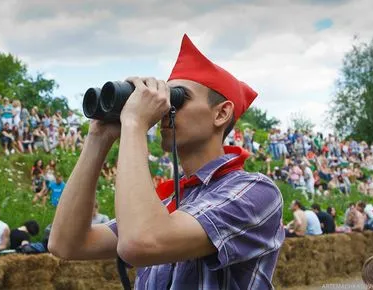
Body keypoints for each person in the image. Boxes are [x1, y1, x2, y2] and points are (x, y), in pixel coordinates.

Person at [49, 34, 285, 289]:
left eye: (177, 97)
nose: (164, 109)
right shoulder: (166, 203)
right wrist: (98, 137)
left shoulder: (255, 192)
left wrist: (135, 123)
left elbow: (142, 241)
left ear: (221, 113)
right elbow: (67, 243)